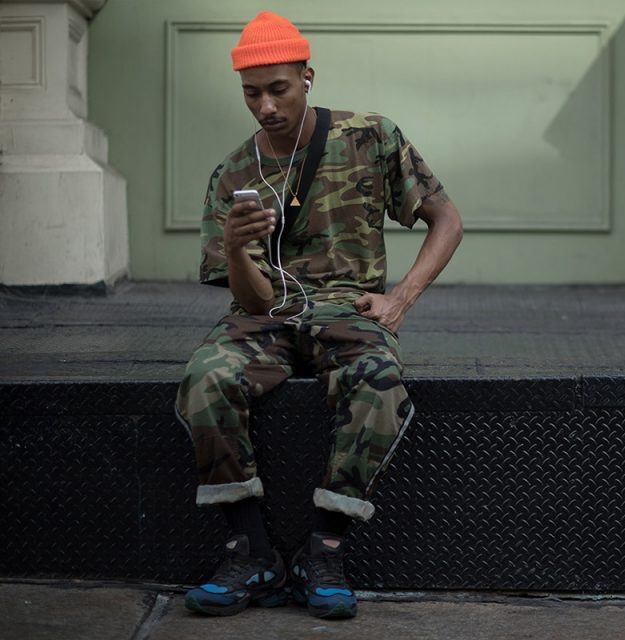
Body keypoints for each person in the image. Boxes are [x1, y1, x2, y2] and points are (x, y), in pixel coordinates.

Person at [174, 11, 463, 620]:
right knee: (206, 378)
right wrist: (233, 247)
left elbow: (446, 218)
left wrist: (401, 298)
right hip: (265, 316)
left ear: (307, 77)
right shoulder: (233, 173)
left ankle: (325, 550)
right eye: (252, 93)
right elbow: (253, 304)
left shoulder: (370, 136)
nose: (265, 106)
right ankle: (248, 551)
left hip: (348, 310)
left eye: (278, 88)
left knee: (380, 385)